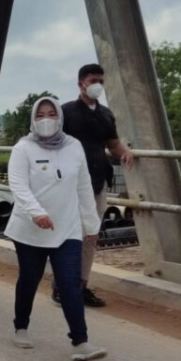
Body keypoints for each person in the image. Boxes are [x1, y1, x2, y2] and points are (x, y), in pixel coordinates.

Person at [6, 96, 107, 361]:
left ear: (60, 118)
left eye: (52, 114)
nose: (46, 120)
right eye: (40, 115)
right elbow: (18, 185)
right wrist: (36, 212)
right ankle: (21, 326)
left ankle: (80, 341)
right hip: (30, 229)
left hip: (67, 228)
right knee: (29, 279)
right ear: (33, 120)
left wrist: (91, 224)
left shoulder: (73, 146)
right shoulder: (23, 148)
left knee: (70, 284)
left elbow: (84, 187)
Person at [60, 64, 134, 307]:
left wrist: (125, 152)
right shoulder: (66, 113)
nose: (97, 85)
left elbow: (113, 144)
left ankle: (81, 286)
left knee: (91, 236)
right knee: (70, 236)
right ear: (81, 83)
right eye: (93, 80)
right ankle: (61, 287)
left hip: (98, 181)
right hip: (71, 184)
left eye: (100, 80)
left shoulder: (106, 115)